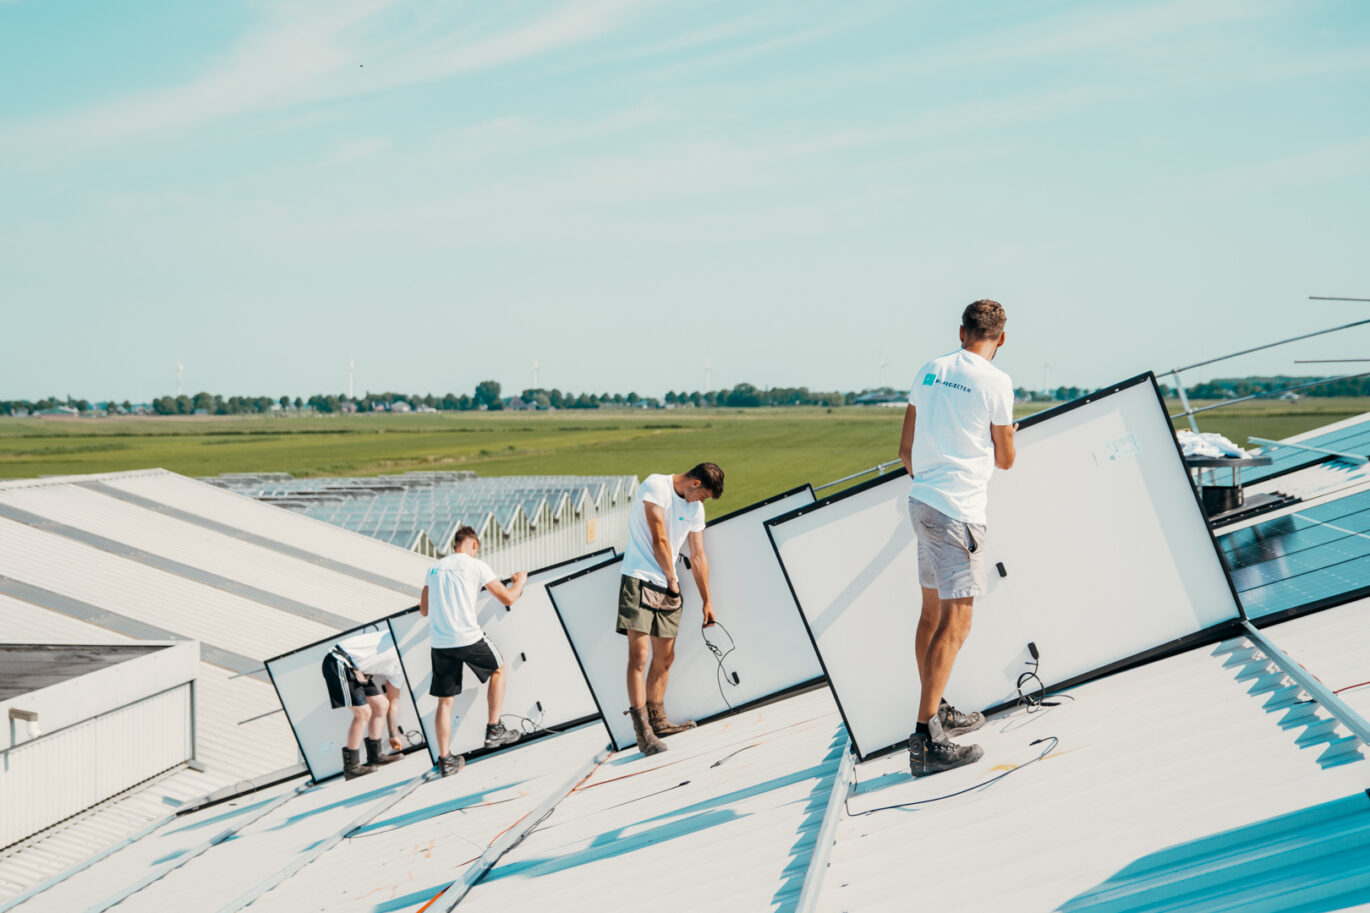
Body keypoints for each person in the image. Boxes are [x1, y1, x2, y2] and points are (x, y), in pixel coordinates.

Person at [898, 299, 1017, 777]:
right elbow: (1005, 459)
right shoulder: (996, 382)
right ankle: (927, 737)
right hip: (959, 512)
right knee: (958, 623)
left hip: (923, 502)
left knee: (931, 615)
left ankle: (939, 709)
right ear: (1001, 339)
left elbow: (905, 450)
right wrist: (1004, 435)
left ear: (962, 331)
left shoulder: (930, 370)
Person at [616, 463, 725, 756]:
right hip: (639, 578)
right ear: (695, 483)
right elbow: (660, 539)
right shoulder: (656, 486)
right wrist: (672, 581)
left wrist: (707, 601)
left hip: (669, 585)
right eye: (703, 495)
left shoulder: (695, 509)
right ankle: (643, 734)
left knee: (665, 657)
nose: (702, 502)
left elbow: (698, 555)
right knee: (639, 657)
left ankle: (659, 721)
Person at [420, 525, 527, 777]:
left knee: (445, 701)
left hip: (440, 643)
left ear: (455, 545)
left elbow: (424, 609)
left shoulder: (433, 569)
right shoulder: (477, 565)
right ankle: (494, 729)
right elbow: (508, 598)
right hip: (467, 637)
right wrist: (519, 581)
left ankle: (446, 760)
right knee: (499, 669)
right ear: (474, 545)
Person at [322, 633, 403, 780]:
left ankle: (375, 756)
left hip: (358, 670)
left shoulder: (400, 670)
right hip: (340, 661)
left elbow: (393, 702)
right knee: (363, 713)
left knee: (382, 705)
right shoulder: (396, 636)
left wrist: (393, 735)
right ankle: (351, 767)